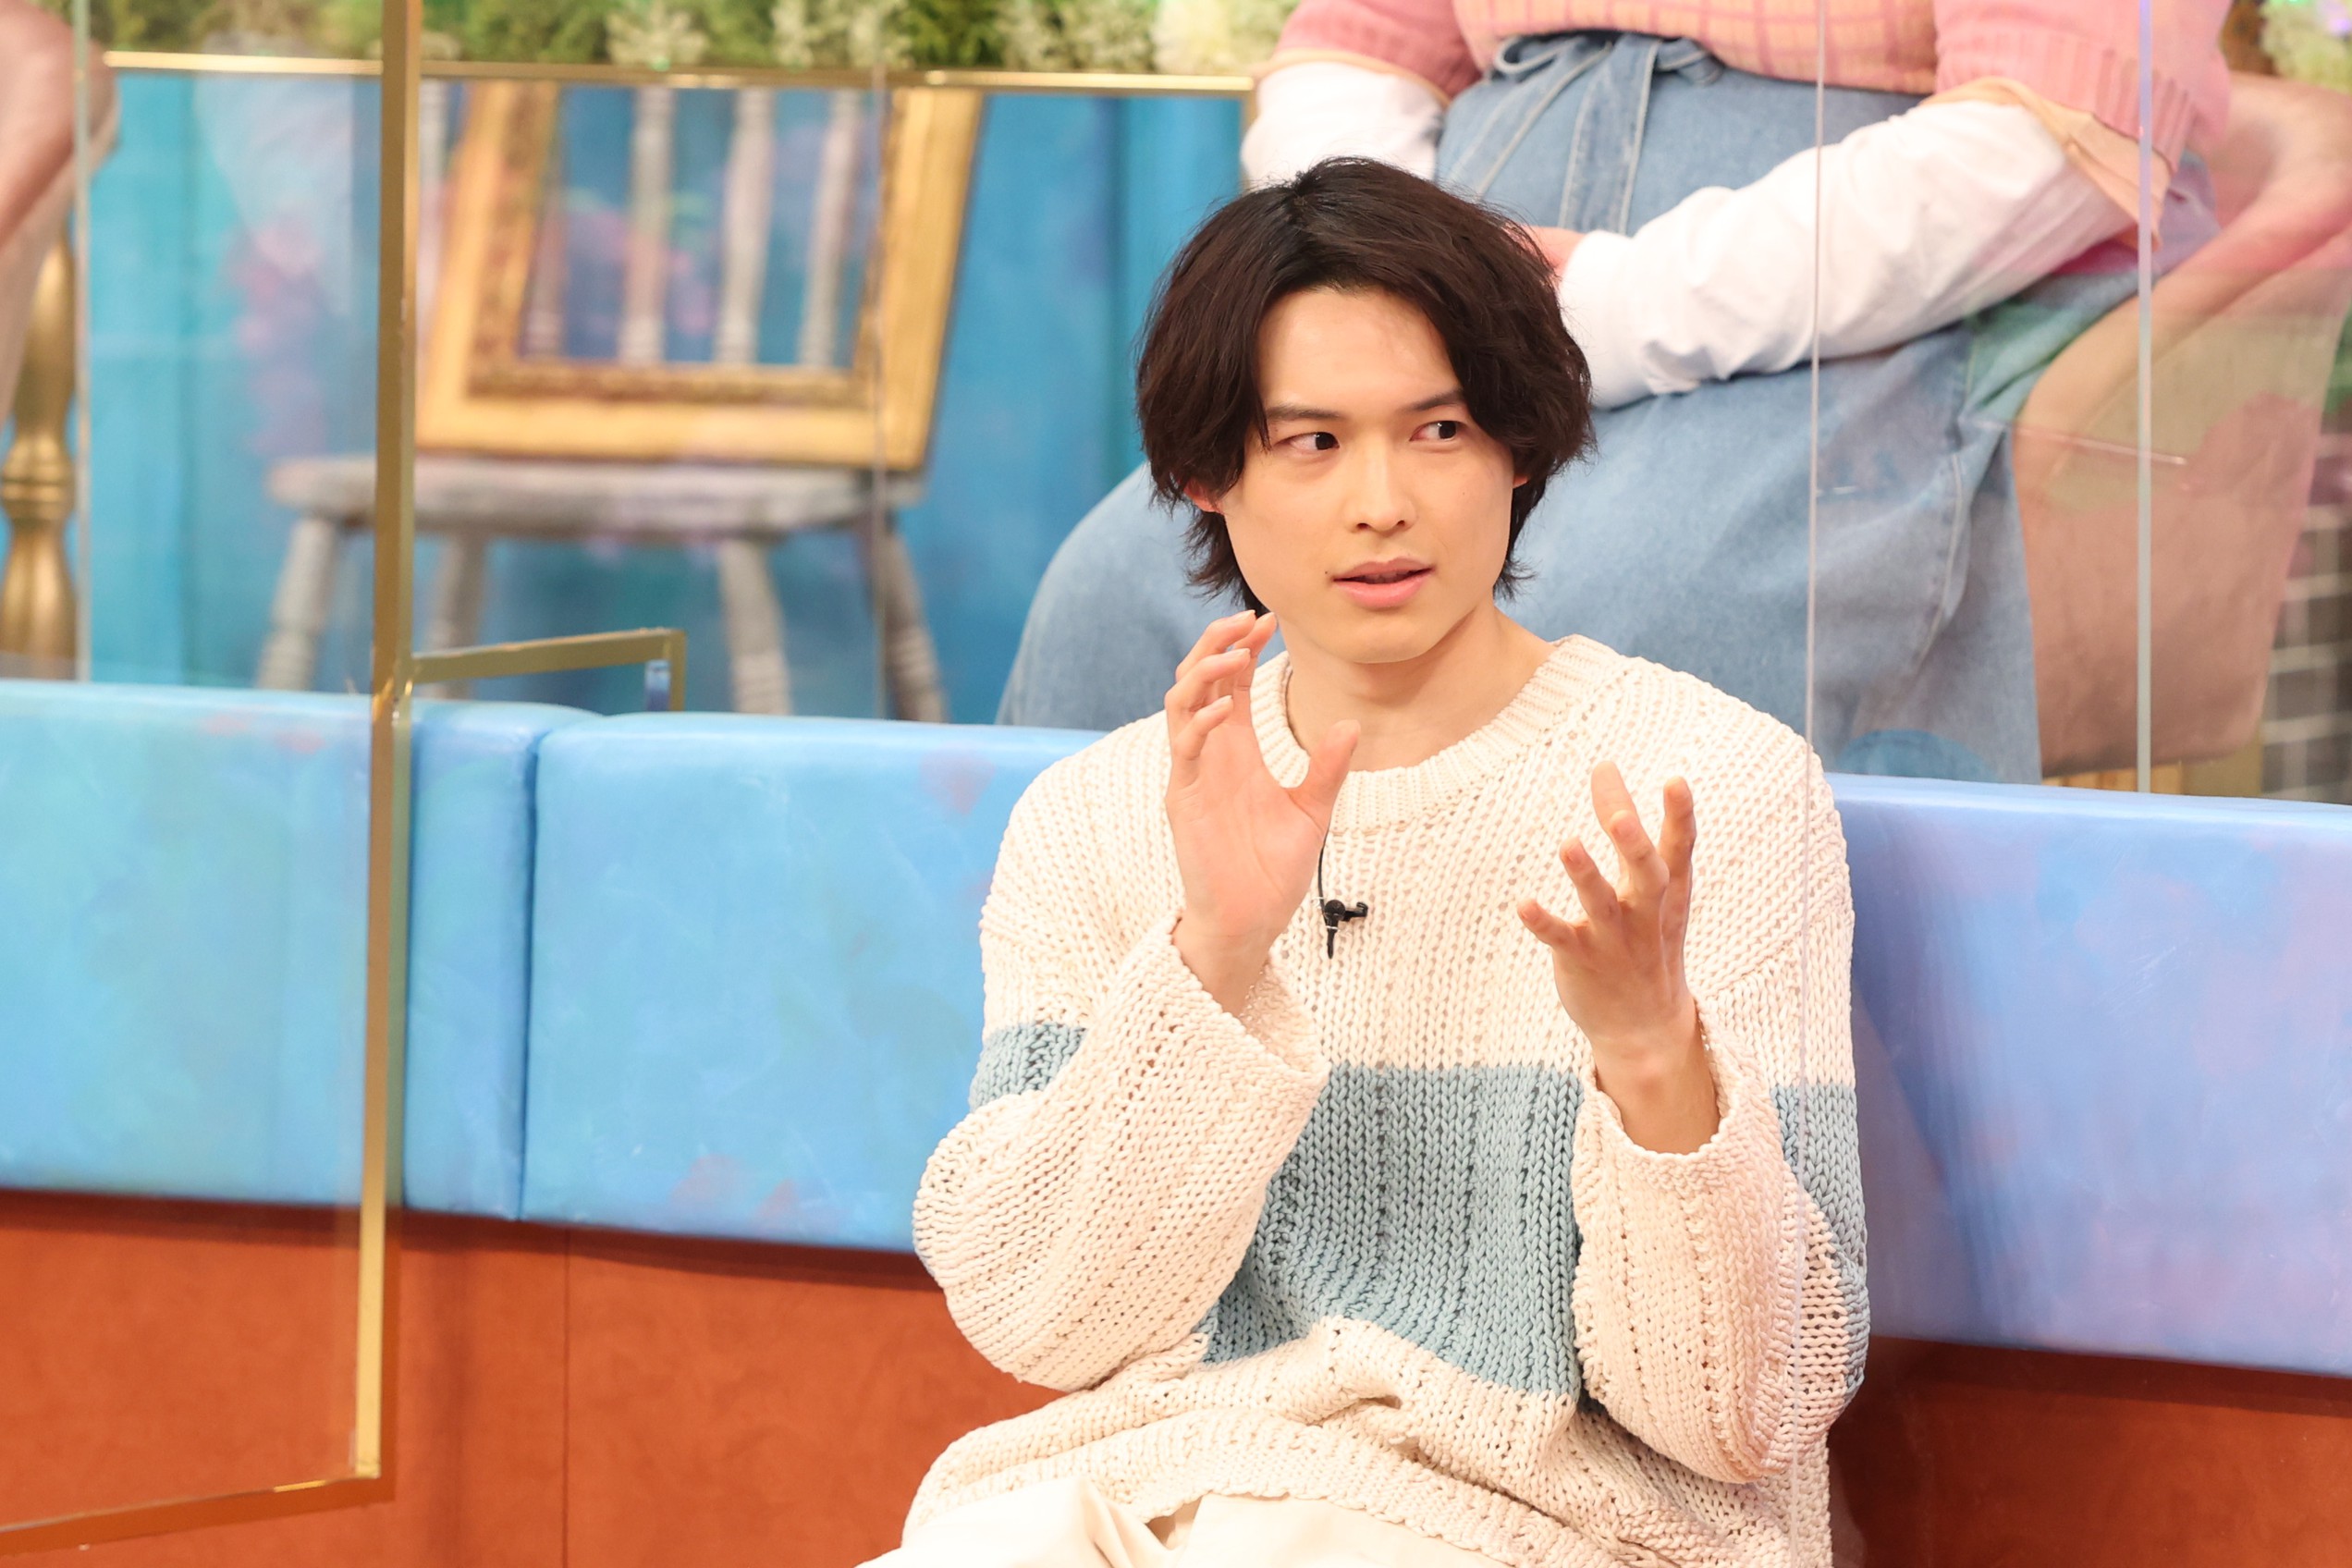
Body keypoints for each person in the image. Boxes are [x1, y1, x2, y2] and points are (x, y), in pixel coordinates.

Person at [880, 160, 1864, 1568]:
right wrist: (1214, 959)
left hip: (1555, 1529)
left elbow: (1745, 1415)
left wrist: (1653, 1053)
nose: (1383, 503)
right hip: (1147, 1492)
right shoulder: (1096, 817)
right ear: (1206, 473)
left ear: (1518, 447)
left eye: (1439, 430)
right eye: (1311, 443)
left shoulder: (1709, 788)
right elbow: (1039, 1323)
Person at [999, 0, 2231, 785]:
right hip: (1462, 244)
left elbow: (2047, 130)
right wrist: (1406, 280)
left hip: (1840, 287)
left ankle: (1565, 1112)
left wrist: (1604, 306)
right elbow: (1353, 44)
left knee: (1619, 611)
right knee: (1119, 592)